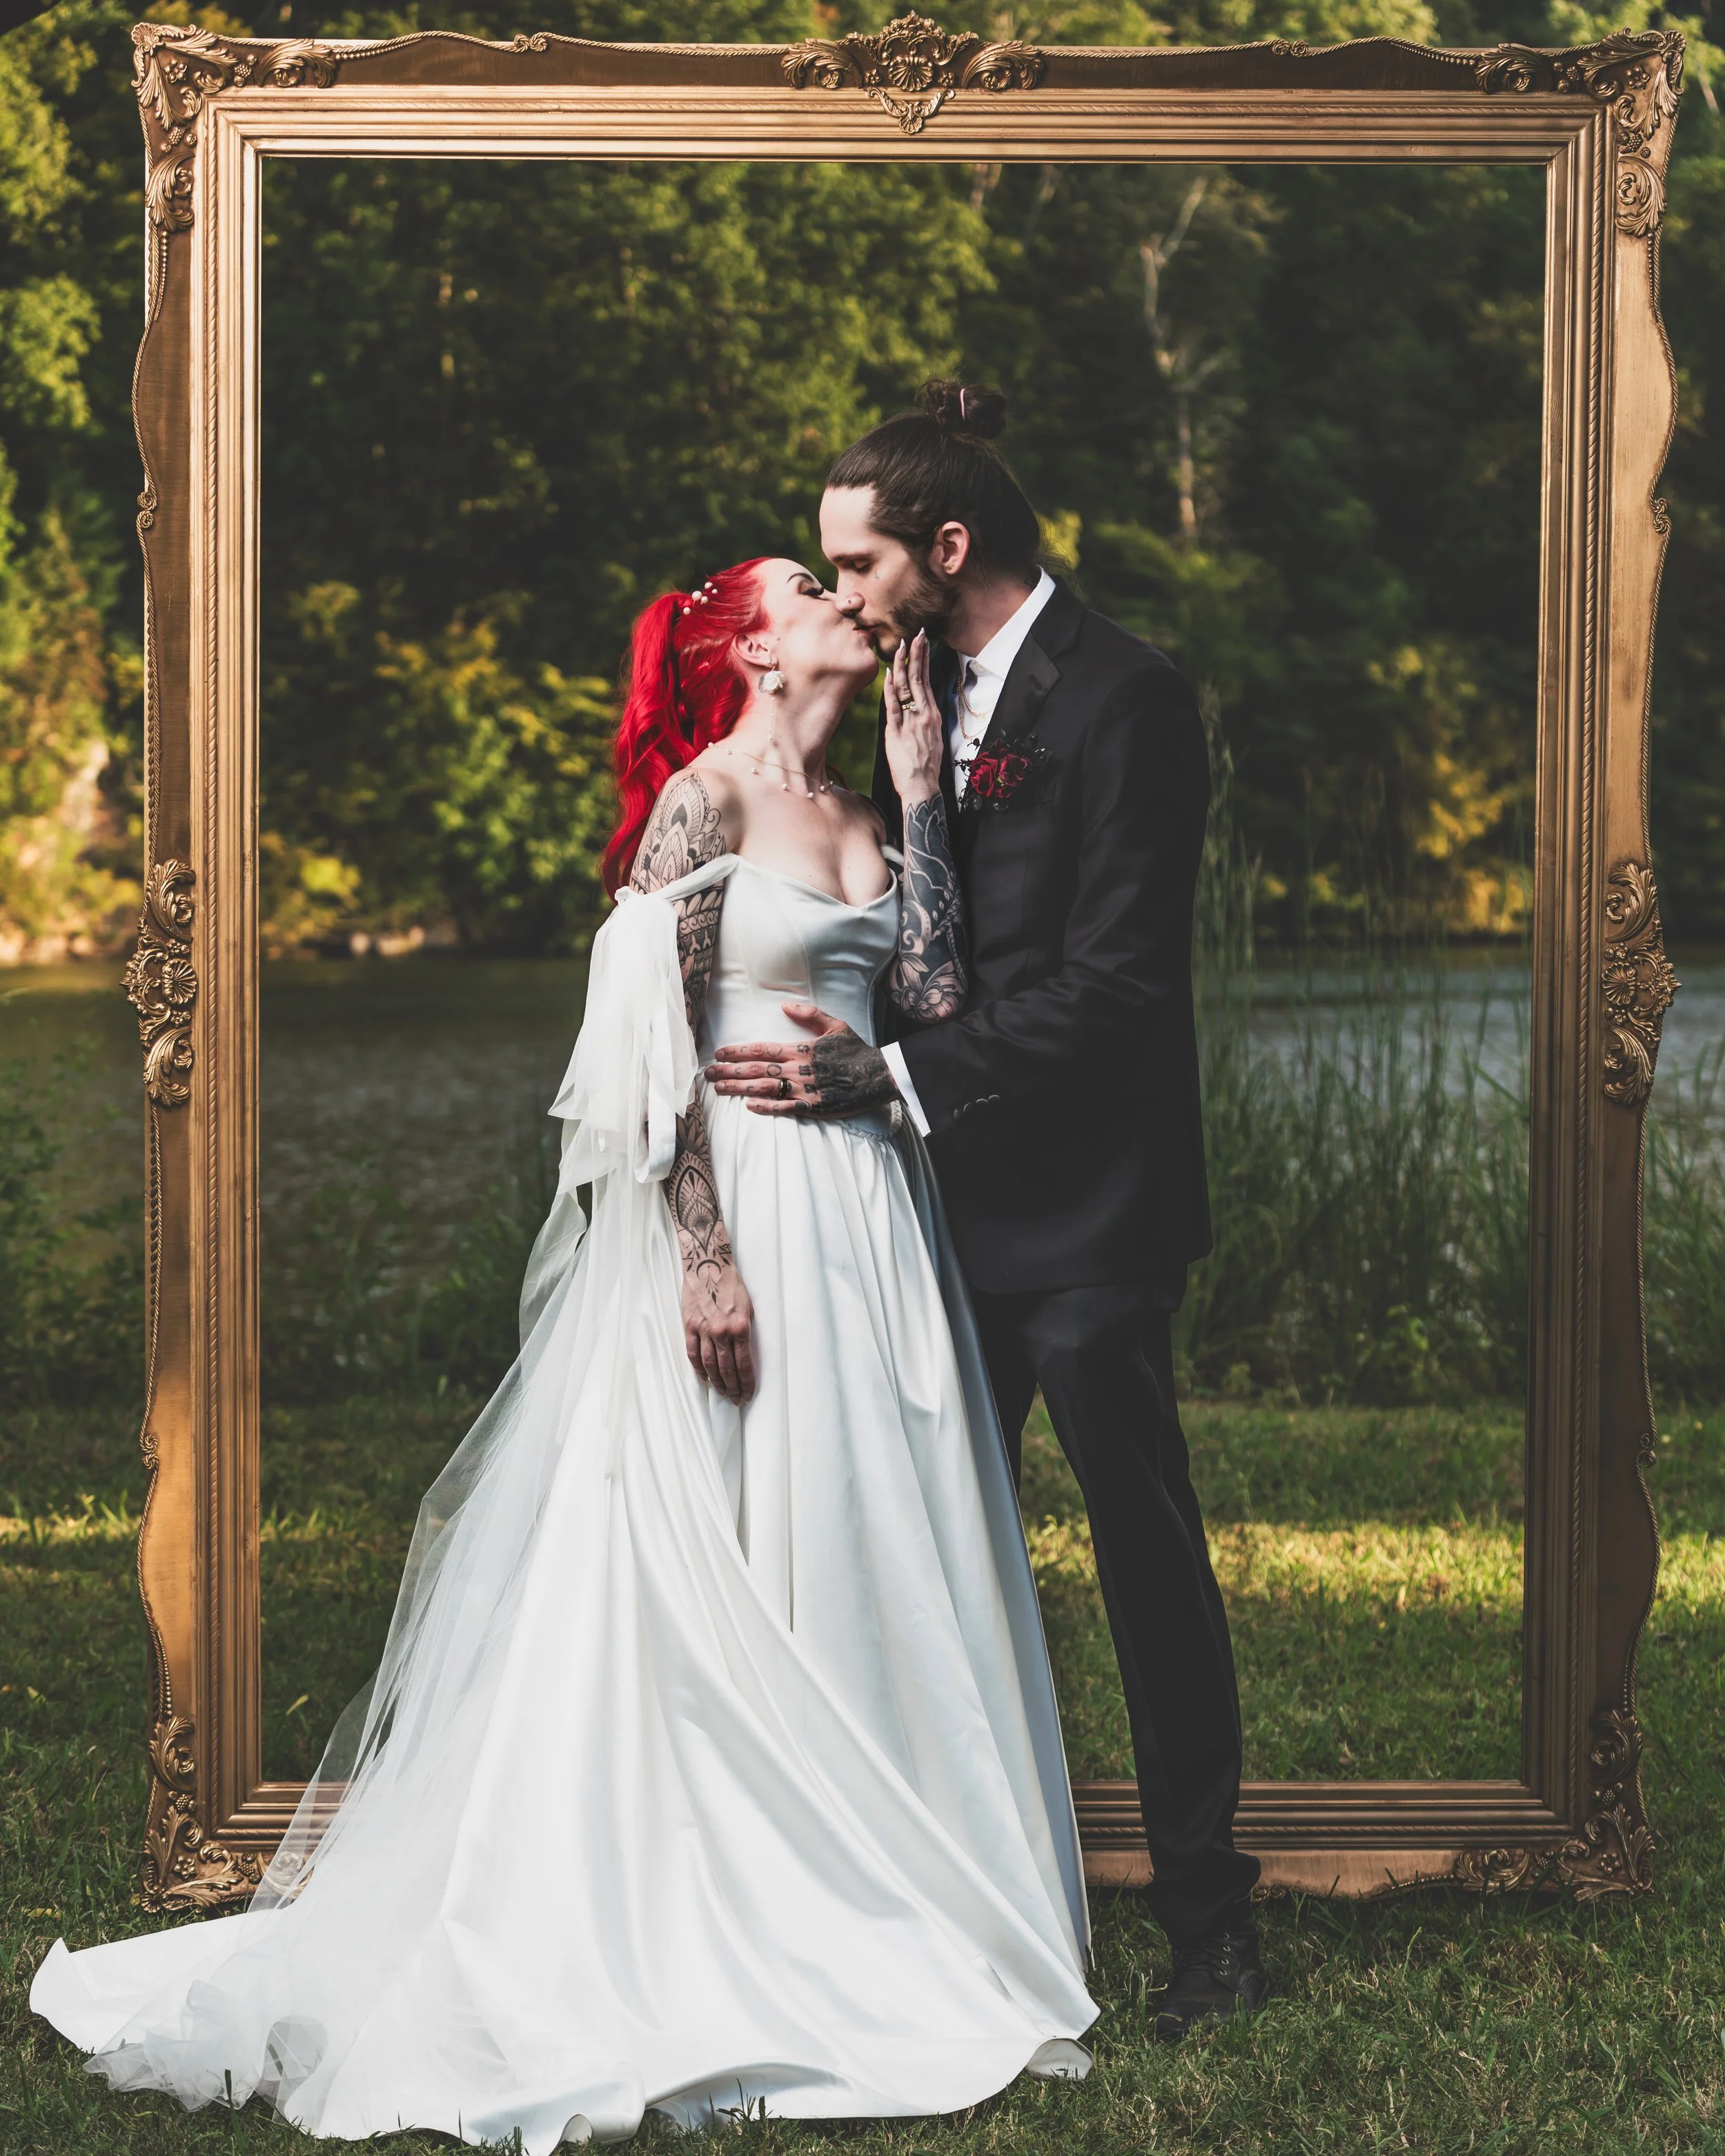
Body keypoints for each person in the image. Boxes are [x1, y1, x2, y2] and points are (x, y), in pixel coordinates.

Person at [30, 557, 1097, 2148]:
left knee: (873, 1531)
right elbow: (647, 1051)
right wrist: (704, 1250)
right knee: (718, 1540)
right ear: (746, 643)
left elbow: (933, 992)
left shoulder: (876, 792)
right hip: (741, 1211)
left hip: (872, 1219)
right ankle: (710, 1888)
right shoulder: (702, 803)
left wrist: (926, 800)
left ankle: (888, 1868)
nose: (839, 597)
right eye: (809, 585)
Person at [707, 384, 1271, 2039]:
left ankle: (1204, 1919)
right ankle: (891, 1898)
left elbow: (1112, 987)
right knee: (905, 1548)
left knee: (1140, 1552)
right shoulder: (897, 692)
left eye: (856, 560)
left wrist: (888, 1071)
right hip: (919, 1214)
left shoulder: (1130, 698)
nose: (841, 589)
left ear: (945, 549)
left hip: (1091, 1213)